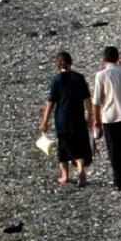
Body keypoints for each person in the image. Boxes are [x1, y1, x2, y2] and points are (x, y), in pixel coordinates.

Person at [39, 51, 93, 186]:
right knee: (79, 145)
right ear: (70, 62)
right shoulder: (79, 78)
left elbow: (51, 102)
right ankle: (80, 169)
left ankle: (65, 175)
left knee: (63, 146)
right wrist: (90, 116)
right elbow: (87, 99)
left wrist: (44, 121)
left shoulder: (56, 80)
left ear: (58, 64)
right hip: (78, 117)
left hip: (62, 118)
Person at [92, 46, 121, 191]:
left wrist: (96, 121)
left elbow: (96, 102)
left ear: (104, 59)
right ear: (118, 58)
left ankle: (117, 179)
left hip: (109, 117)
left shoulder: (101, 75)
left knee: (113, 148)